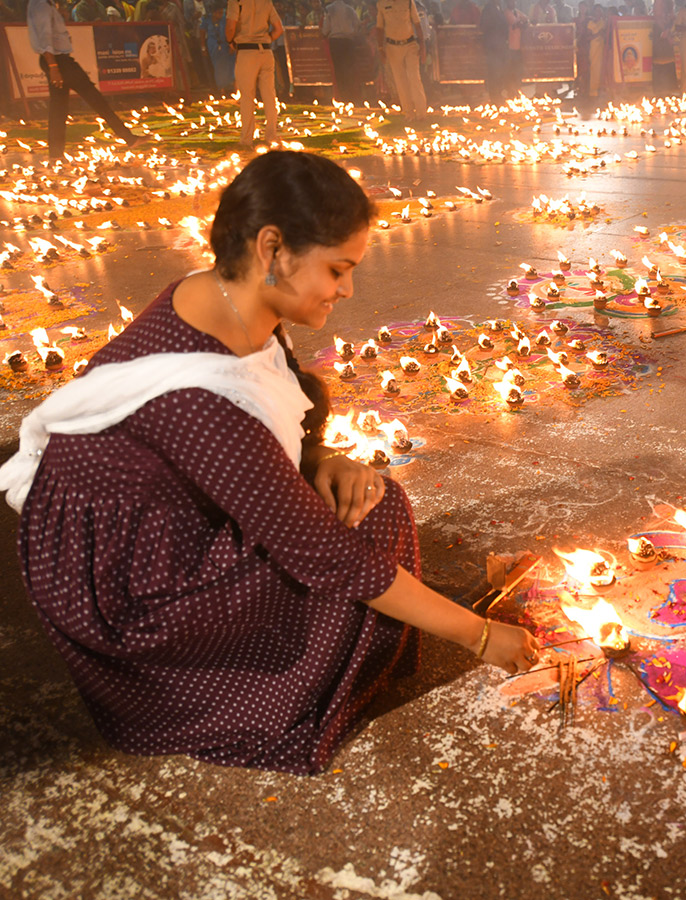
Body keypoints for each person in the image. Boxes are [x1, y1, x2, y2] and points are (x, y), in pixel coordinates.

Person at [0, 151, 541, 776]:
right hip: (130, 592)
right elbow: (327, 557)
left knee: (364, 496)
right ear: (273, 249)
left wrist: (319, 460)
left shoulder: (218, 294)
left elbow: (272, 413)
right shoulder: (201, 403)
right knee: (365, 531)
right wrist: (478, 636)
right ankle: (234, 687)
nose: (349, 288)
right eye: (338, 268)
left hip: (142, 524)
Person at [26, 0, 140, 160]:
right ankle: (128, 137)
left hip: (60, 60)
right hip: (59, 62)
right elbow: (44, 37)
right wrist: (53, 66)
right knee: (94, 98)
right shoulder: (41, 5)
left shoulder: (48, 4)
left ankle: (55, 155)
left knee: (59, 109)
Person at [226, 0, 283, 147]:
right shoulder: (266, 2)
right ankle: (271, 136)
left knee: (247, 96)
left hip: (246, 52)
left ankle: (246, 140)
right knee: (269, 96)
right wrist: (267, 39)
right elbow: (278, 29)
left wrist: (230, 41)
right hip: (266, 51)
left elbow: (230, 27)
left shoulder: (236, 1)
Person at [377, 0, 428, 114]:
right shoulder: (381, 4)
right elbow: (379, 28)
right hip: (392, 47)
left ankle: (421, 114)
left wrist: (422, 45)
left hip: (410, 44)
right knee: (400, 81)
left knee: (414, 77)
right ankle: (409, 113)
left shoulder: (409, 2)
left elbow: (417, 24)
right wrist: (380, 48)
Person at [322, 0, 360, 101]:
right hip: (349, 41)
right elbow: (357, 25)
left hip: (335, 41)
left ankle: (343, 96)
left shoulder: (329, 9)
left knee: (339, 70)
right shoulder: (350, 9)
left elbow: (326, 28)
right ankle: (351, 96)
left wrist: (324, 32)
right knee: (349, 68)